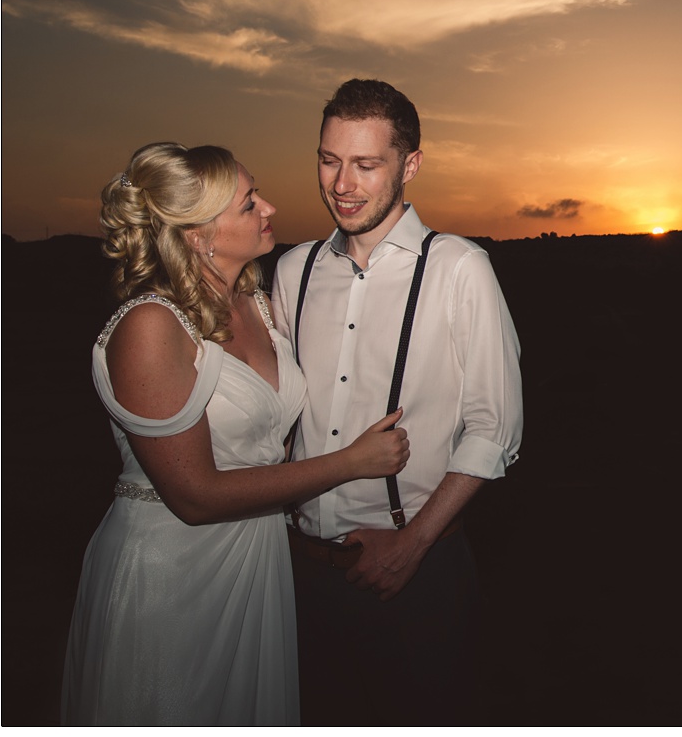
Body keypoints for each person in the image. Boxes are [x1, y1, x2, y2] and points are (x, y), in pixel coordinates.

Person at [62, 142, 411, 726]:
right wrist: (350, 463)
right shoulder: (152, 325)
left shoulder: (256, 301)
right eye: (249, 203)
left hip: (256, 556)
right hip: (173, 572)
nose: (269, 206)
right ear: (199, 234)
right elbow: (195, 497)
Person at [272, 79, 523, 725]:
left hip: (416, 574)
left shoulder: (459, 267)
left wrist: (412, 544)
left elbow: (495, 428)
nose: (341, 184)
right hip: (298, 574)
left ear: (410, 165)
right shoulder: (292, 270)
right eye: (329, 159)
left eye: (366, 164)